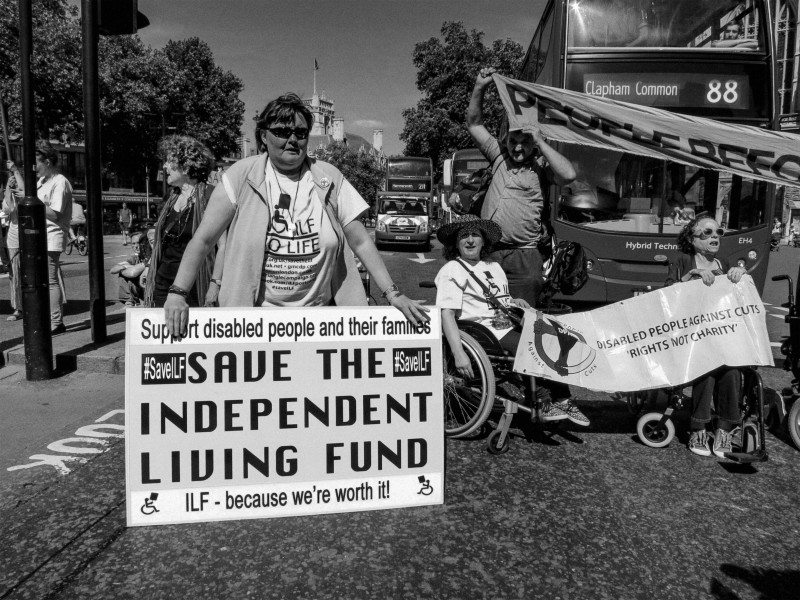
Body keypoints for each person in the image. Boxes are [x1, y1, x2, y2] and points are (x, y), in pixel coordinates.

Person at [163, 92, 428, 336]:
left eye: (301, 133)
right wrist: (177, 293)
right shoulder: (240, 176)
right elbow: (203, 240)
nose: (292, 139)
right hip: (251, 324)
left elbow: (360, 241)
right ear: (264, 136)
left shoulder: (329, 177)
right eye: (282, 131)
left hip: (318, 324)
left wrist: (393, 294)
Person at [435, 214, 590, 425]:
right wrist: (458, 353)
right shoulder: (452, 270)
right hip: (482, 333)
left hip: (503, 324)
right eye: (464, 236)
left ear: (483, 241)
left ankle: (561, 399)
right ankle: (546, 401)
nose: (470, 240)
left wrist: (514, 301)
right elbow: (446, 314)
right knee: (535, 347)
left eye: (475, 235)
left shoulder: (493, 267)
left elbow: (497, 298)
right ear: (456, 243)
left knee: (559, 337)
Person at [467, 67, 577, 308]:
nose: (517, 148)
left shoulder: (542, 167)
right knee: (486, 315)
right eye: (513, 141)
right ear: (505, 140)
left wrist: (538, 139)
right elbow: (474, 124)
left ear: (534, 144)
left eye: (524, 142)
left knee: (522, 318)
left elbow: (569, 175)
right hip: (490, 251)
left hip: (525, 257)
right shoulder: (498, 155)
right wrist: (479, 87)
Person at [665, 215, 746, 458]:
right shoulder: (682, 261)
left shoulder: (724, 263)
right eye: (707, 233)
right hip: (689, 337)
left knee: (732, 370)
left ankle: (724, 429)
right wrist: (688, 278)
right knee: (707, 367)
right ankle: (698, 427)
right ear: (692, 239)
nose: (714, 237)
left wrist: (738, 275)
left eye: (717, 233)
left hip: (719, 336)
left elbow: (736, 299)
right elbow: (665, 298)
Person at [144, 135, 218, 309]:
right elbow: (162, 241)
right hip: (162, 282)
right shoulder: (170, 198)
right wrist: (149, 267)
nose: (165, 166)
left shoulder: (210, 196)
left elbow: (222, 246)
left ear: (186, 165)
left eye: (170, 161)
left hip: (195, 283)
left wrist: (215, 283)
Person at [11, 143, 72, 334]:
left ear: (47, 162)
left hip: (51, 235)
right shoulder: (43, 181)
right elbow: (29, 194)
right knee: (41, 279)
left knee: (50, 279)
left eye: (36, 163)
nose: (34, 168)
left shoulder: (60, 182)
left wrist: (32, 201)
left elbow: (55, 213)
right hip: (37, 236)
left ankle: (56, 321)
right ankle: (49, 318)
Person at [2, 161, 22, 320]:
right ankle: (18, 307)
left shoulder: (26, 194)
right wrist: (8, 188)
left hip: (29, 238)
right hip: (14, 239)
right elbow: (8, 208)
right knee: (15, 274)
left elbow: (24, 191)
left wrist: (15, 171)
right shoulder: (9, 198)